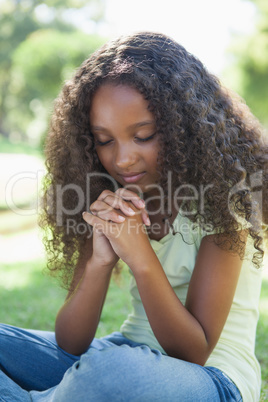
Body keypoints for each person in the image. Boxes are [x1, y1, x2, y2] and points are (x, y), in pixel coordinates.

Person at [0, 31, 267, 402]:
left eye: (143, 136)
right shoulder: (108, 196)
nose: (122, 159)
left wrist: (139, 255)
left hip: (213, 379)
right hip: (122, 353)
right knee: (100, 365)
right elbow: (71, 343)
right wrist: (100, 261)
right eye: (104, 141)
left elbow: (194, 351)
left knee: (112, 372)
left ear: (182, 129)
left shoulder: (225, 203)